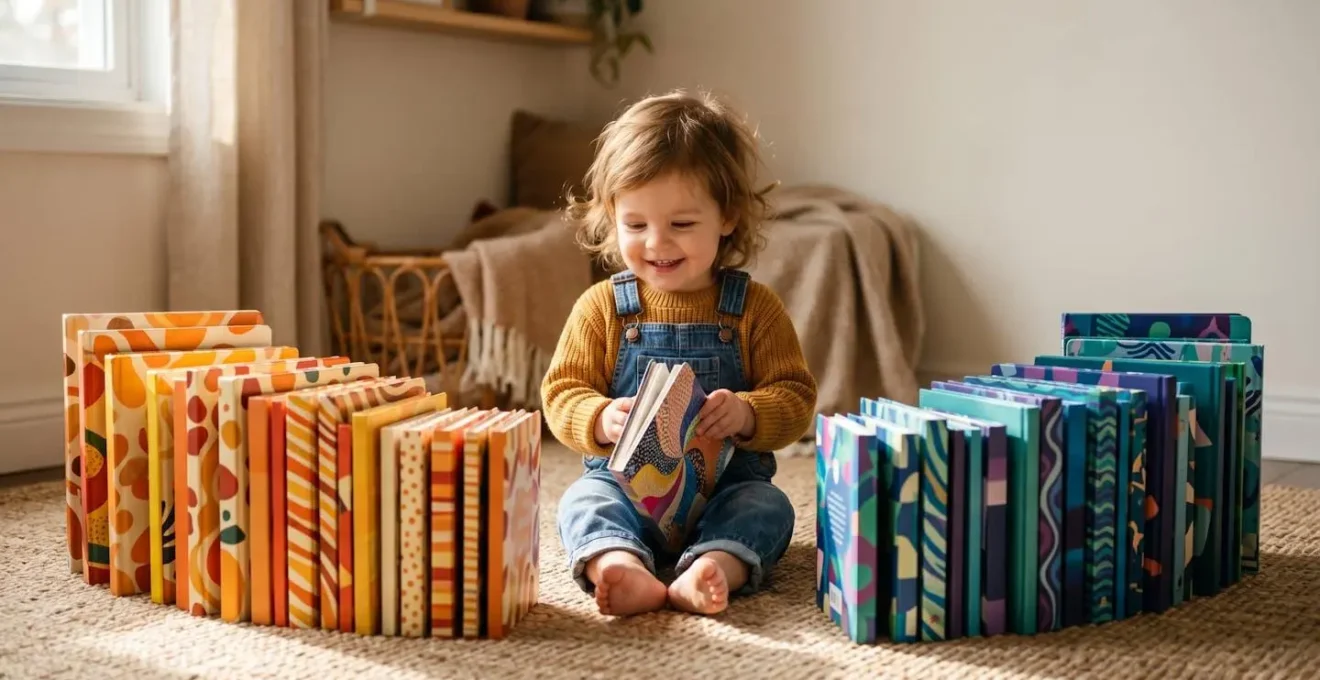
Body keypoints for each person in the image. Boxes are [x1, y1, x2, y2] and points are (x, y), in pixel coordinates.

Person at [540, 89, 819, 617]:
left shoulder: (753, 309)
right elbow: (561, 392)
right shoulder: (603, 308)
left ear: (729, 217)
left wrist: (748, 413)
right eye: (636, 224)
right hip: (623, 487)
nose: (657, 243)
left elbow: (796, 395)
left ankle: (711, 566)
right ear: (611, 216)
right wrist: (599, 417)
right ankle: (620, 563)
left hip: (724, 491)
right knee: (580, 502)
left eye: (682, 225)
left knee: (770, 508)